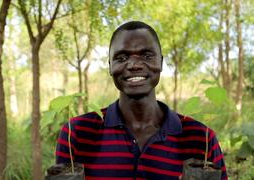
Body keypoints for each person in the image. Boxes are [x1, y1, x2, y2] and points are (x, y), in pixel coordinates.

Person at [55, 21, 227, 180]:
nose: (134, 65)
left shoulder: (201, 138)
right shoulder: (76, 133)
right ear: (110, 66)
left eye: (146, 55)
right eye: (121, 58)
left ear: (161, 62)